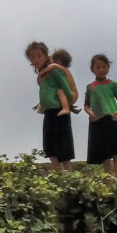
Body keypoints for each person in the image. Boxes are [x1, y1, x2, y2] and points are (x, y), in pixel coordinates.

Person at [25, 41, 74, 169]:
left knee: (63, 148)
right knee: (50, 147)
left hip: (59, 111)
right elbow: (48, 92)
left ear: (46, 56)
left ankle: (70, 180)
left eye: (39, 56)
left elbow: (66, 89)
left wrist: (65, 103)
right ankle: (58, 178)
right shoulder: (41, 76)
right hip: (48, 113)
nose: (36, 59)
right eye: (32, 56)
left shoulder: (54, 71)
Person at [84, 54, 117, 175]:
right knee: (105, 154)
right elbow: (86, 105)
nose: (101, 70)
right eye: (98, 67)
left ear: (108, 68)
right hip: (98, 121)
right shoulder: (90, 87)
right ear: (92, 69)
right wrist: (90, 112)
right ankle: (108, 180)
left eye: (104, 67)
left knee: (116, 152)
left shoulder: (113, 85)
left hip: (112, 120)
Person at [37, 49, 80, 113]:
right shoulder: (62, 72)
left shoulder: (59, 68)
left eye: (51, 59)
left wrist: (43, 72)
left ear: (57, 61)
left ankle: (65, 108)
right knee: (58, 91)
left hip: (71, 94)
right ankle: (67, 107)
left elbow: (53, 66)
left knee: (60, 91)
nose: (50, 62)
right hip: (70, 94)